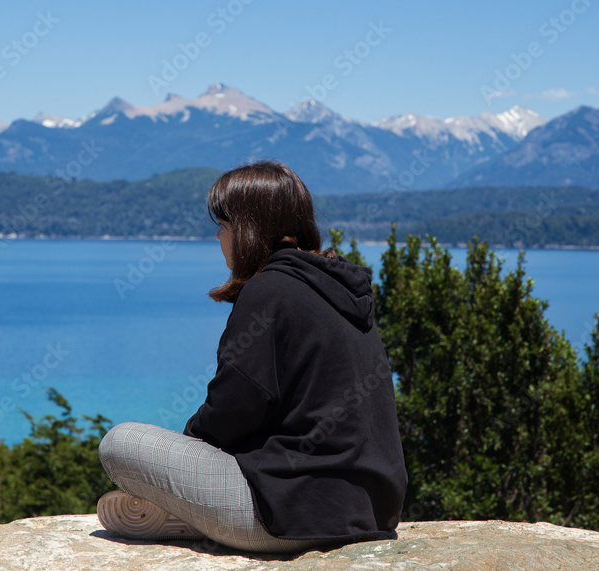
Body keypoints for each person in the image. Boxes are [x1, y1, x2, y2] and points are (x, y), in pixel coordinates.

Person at [97, 160, 407, 553]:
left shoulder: (268, 291)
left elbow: (230, 412)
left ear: (247, 229)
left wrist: (183, 463)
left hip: (291, 514)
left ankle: (188, 511)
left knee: (120, 442)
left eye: (224, 225)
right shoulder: (340, 289)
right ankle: (195, 513)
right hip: (374, 511)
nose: (218, 235)